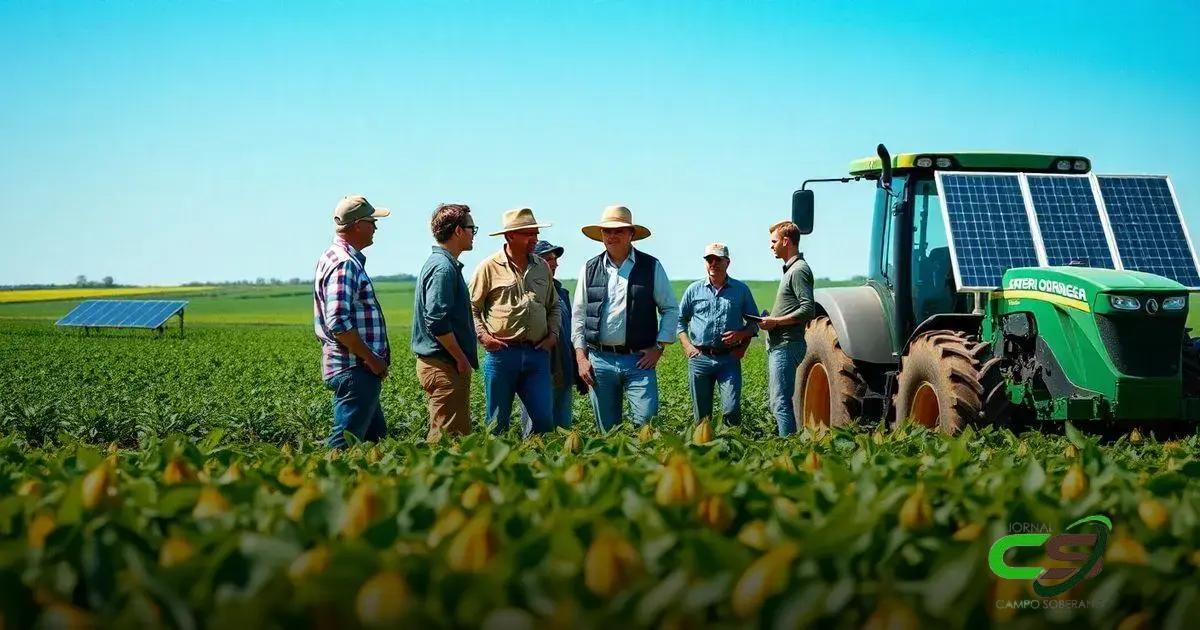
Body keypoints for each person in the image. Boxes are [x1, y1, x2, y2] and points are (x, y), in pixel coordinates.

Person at [571, 205, 679, 432]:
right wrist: (581, 358)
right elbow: (579, 315)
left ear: (631, 234)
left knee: (646, 423)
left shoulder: (651, 266)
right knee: (608, 431)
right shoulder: (589, 268)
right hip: (599, 360)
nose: (612, 236)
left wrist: (659, 347)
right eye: (607, 231)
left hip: (639, 360)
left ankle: (643, 466)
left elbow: (670, 309)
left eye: (618, 231)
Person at [469, 208, 560, 436]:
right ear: (510, 236)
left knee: (543, 422)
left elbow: (553, 306)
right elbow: (471, 308)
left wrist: (553, 336)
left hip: (537, 353)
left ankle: (537, 467)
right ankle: (498, 467)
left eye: (536, 233)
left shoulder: (541, 266)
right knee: (497, 423)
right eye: (529, 234)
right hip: (502, 354)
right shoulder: (488, 267)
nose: (535, 239)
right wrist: (483, 337)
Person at [313, 194, 392, 449]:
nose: (375, 228)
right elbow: (338, 322)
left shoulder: (334, 256)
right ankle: (321, 482)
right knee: (343, 445)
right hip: (355, 369)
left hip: (356, 369)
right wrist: (371, 358)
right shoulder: (345, 264)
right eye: (372, 221)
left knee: (376, 444)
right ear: (358, 225)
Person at [412, 203, 479, 442]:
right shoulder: (443, 268)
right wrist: (460, 357)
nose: (474, 234)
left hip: (442, 363)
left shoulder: (442, 264)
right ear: (459, 231)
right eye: (472, 228)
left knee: (451, 435)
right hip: (444, 364)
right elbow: (437, 320)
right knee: (448, 440)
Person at [677, 243, 760, 427]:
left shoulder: (740, 290)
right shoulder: (694, 290)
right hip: (700, 359)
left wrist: (742, 338)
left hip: (729, 359)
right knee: (702, 416)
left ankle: (731, 449)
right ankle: (704, 451)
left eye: (718, 259)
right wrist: (688, 347)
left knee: (731, 409)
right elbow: (679, 321)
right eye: (709, 259)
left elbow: (754, 323)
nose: (713, 263)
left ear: (727, 263)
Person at [758, 220, 816, 436]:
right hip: (780, 344)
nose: (771, 246)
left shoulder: (799, 270)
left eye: (774, 241)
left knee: (780, 402)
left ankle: (788, 450)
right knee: (778, 402)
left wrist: (776, 322)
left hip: (786, 345)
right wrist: (770, 319)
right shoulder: (791, 270)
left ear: (786, 241)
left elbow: (808, 309)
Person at [520, 239, 585, 430]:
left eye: (555, 258)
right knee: (537, 432)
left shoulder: (561, 292)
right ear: (535, 262)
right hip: (539, 373)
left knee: (563, 429)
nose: (555, 263)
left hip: (563, 373)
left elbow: (569, 334)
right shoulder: (526, 291)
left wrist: (576, 369)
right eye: (548, 259)